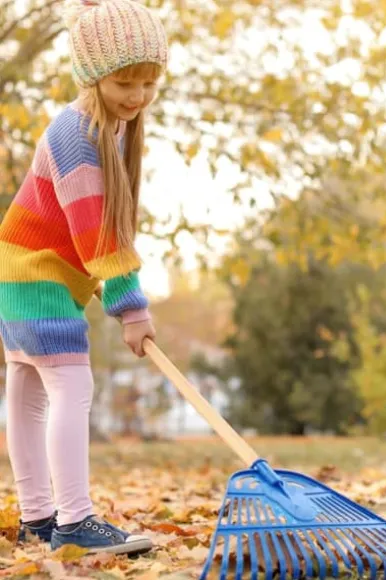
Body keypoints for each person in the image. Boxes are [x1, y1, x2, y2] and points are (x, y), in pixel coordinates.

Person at [0, 0, 168, 555]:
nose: (138, 96)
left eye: (149, 82)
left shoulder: (109, 129)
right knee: (71, 387)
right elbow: (97, 232)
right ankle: (73, 522)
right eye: (125, 82)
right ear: (91, 76)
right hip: (35, 274)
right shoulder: (76, 133)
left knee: (27, 394)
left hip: (22, 271)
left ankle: (38, 518)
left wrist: (103, 287)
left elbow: (81, 228)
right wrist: (130, 305)